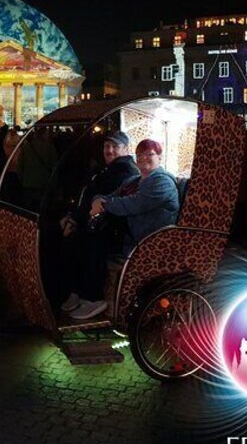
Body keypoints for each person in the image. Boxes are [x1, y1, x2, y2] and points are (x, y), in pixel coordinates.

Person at [75, 139, 179, 320]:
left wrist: (104, 203)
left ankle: (94, 298)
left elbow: (132, 204)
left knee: (95, 242)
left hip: (150, 241)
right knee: (83, 238)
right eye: (139, 155)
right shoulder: (134, 180)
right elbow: (110, 196)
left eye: (150, 154)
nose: (144, 158)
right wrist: (98, 200)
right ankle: (83, 294)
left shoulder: (162, 183)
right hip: (130, 236)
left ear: (160, 157)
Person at [60, 132, 139, 317]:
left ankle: (93, 297)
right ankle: (78, 291)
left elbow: (110, 200)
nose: (109, 150)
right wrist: (74, 217)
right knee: (73, 241)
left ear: (126, 149)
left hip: (114, 226)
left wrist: (79, 218)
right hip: (101, 221)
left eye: (115, 146)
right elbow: (93, 197)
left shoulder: (125, 171)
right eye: (106, 146)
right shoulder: (108, 169)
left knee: (88, 242)